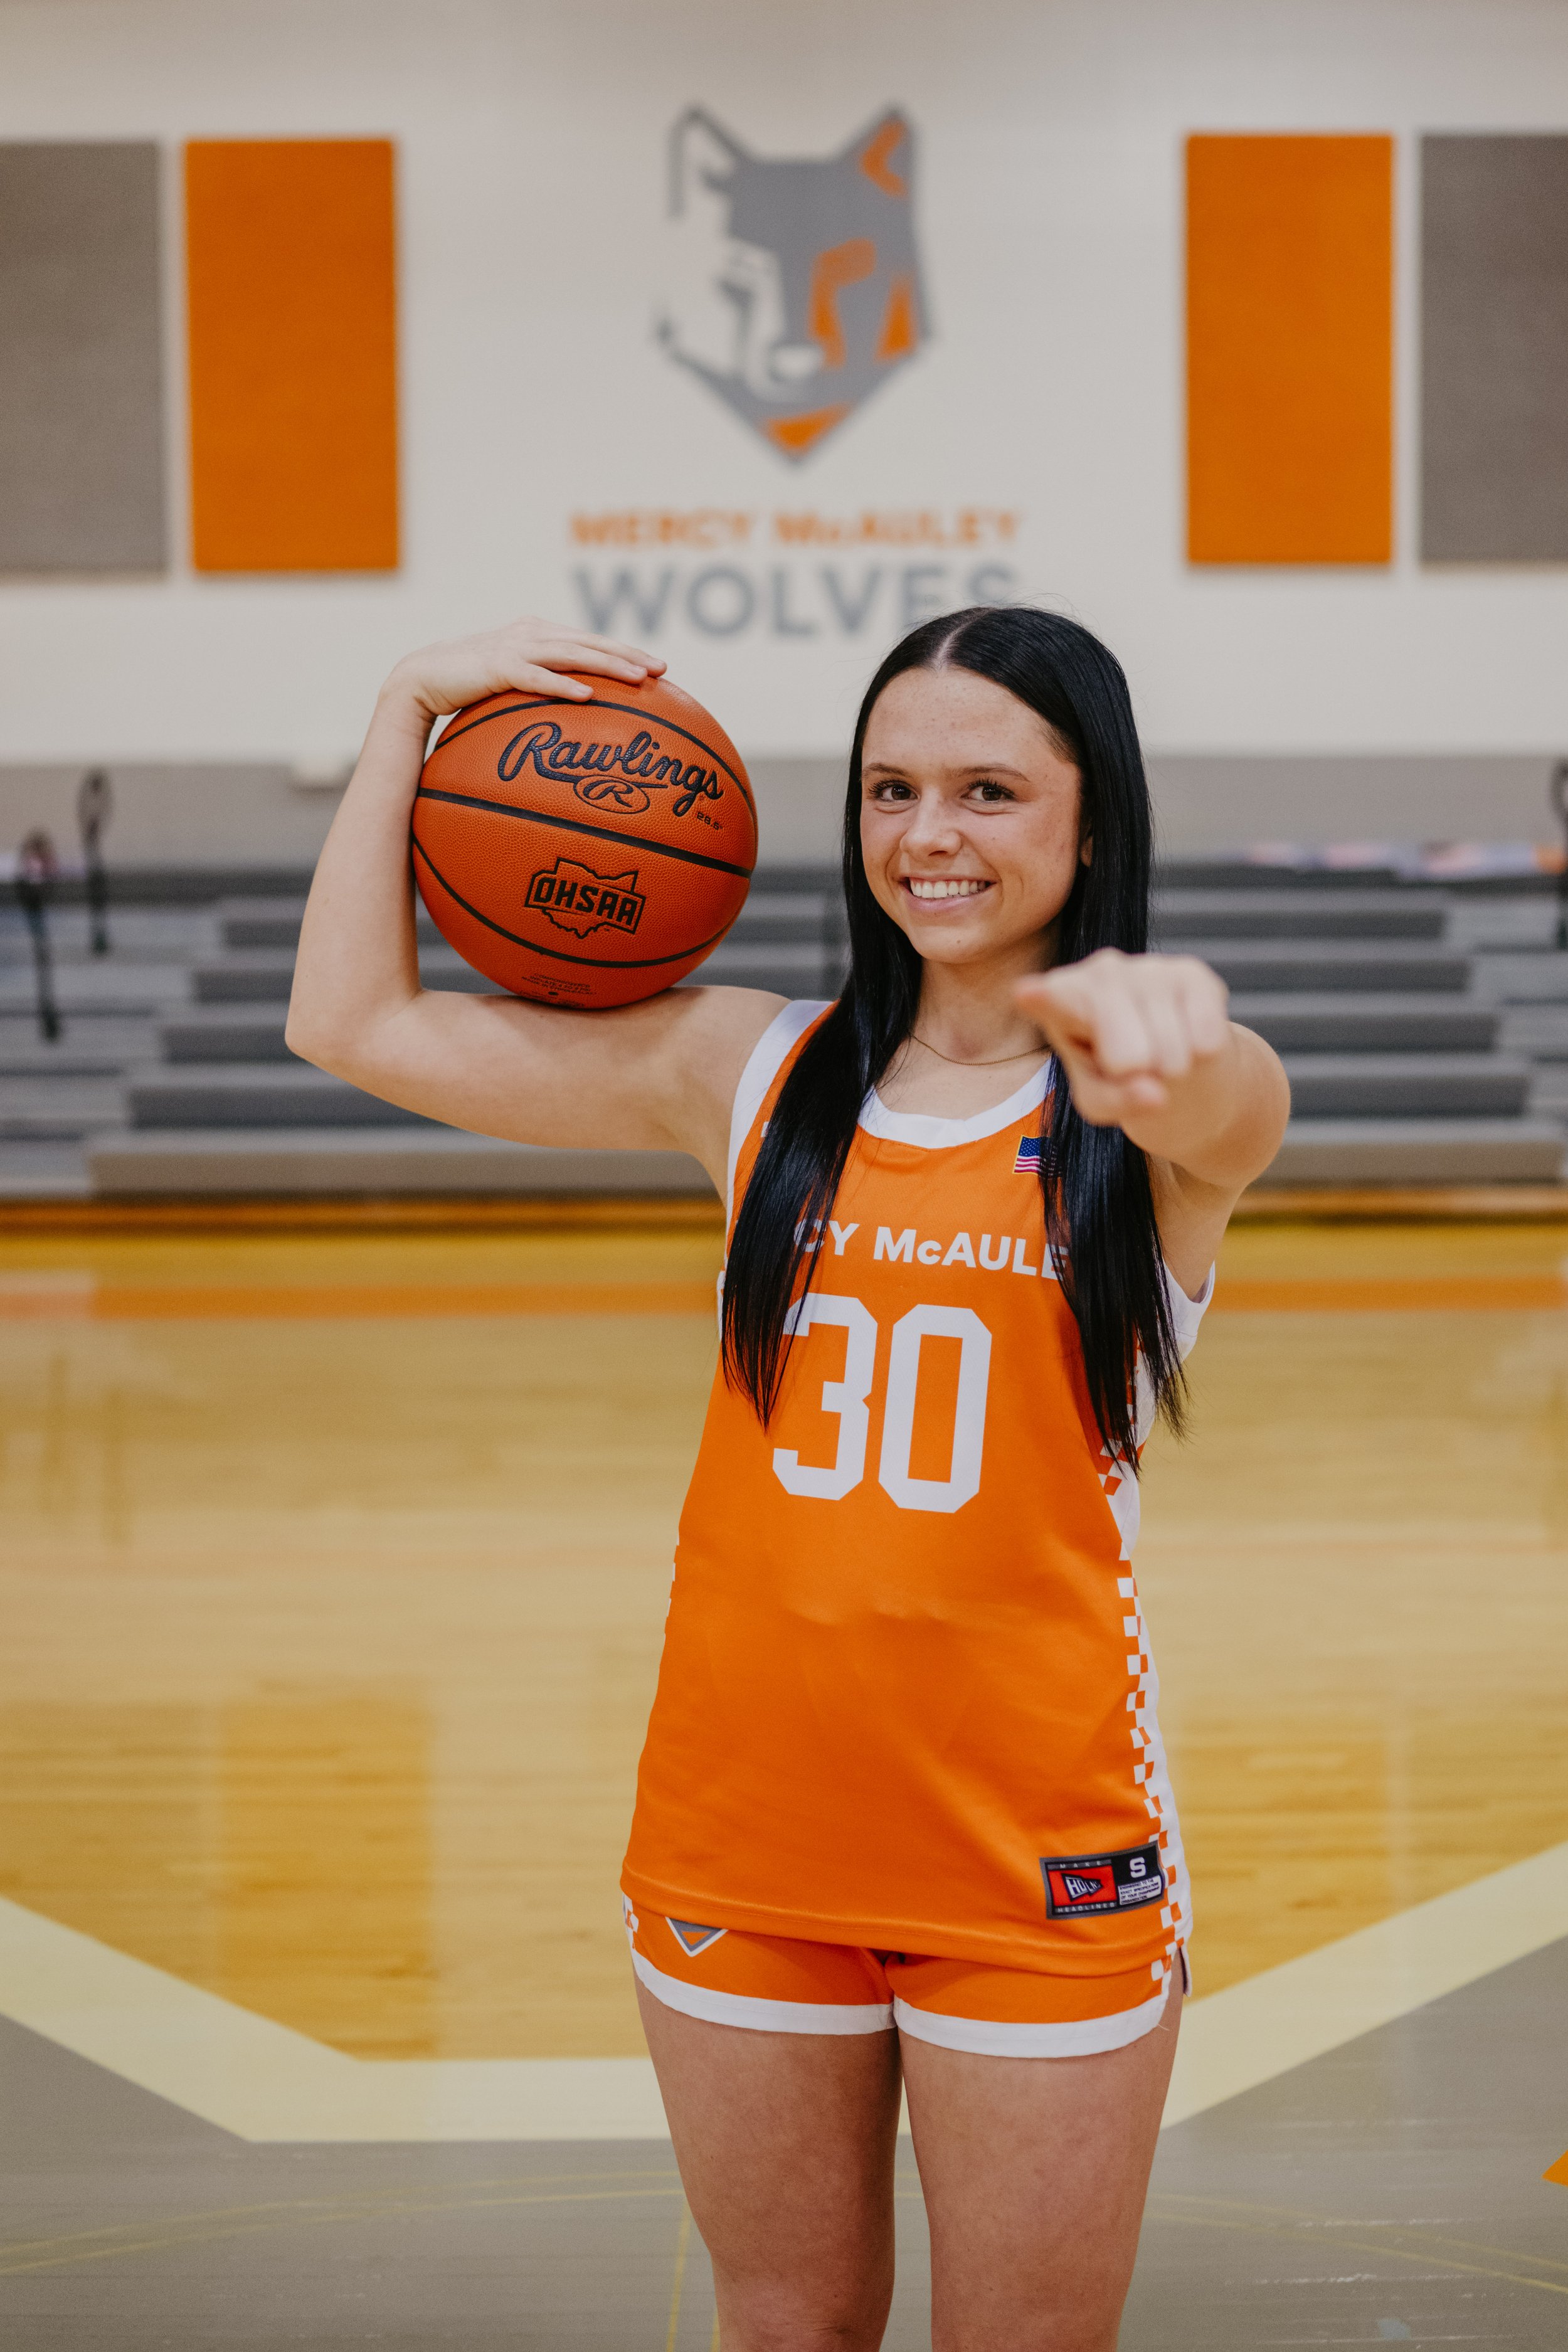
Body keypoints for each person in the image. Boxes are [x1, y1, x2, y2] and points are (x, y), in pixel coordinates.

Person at [288, 605, 1290, 2352]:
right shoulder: (745, 1068)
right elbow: (352, 1022)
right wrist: (402, 720)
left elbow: (1234, 1108)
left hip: (1032, 1865)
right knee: (782, 2327)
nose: (926, 836)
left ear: (1090, 815)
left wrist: (1174, 1037)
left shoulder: (1141, 1120)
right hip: (737, 1842)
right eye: (889, 789)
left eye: (987, 790)